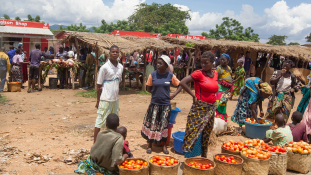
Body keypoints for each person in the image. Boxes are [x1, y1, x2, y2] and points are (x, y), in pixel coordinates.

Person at [180, 51, 219, 158]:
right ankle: (189, 156)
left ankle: (203, 155)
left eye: (206, 63)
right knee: (193, 131)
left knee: (207, 131)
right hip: (200, 107)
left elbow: (214, 88)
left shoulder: (215, 74)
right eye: (202, 63)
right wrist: (193, 95)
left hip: (211, 107)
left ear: (212, 62)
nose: (203, 65)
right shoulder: (198, 73)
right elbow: (182, 82)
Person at [142, 55, 182, 154]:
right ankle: (150, 145)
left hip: (165, 105)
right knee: (153, 124)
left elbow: (180, 85)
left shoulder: (170, 76)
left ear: (166, 65)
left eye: (160, 63)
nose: (158, 65)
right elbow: (148, 88)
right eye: (158, 63)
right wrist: (156, 94)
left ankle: (164, 146)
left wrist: (173, 95)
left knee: (164, 125)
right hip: (154, 104)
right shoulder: (152, 75)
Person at [94, 45, 123, 143]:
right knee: (100, 121)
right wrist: (98, 101)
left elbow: (119, 81)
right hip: (105, 99)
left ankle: (111, 142)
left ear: (119, 53)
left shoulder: (120, 67)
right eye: (113, 52)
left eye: (117, 52)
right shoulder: (104, 68)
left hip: (115, 99)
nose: (115, 54)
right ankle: (95, 144)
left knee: (113, 122)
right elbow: (98, 86)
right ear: (109, 53)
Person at [214, 53, 233, 134]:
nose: (222, 61)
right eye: (221, 59)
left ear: (227, 61)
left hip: (227, 89)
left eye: (223, 59)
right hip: (220, 88)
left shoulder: (229, 68)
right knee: (219, 102)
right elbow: (215, 77)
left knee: (224, 103)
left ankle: (222, 120)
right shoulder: (218, 68)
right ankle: (217, 118)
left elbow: (231, 77)